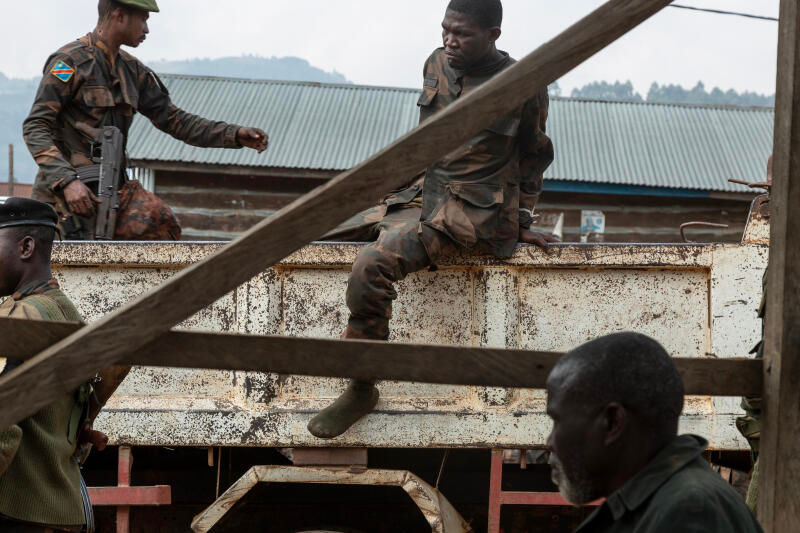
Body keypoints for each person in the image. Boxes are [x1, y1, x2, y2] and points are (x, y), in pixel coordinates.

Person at [308, 0, 555, 439]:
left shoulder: (523, 83)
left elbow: (533, 156)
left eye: (461, 33)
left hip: (467, 213)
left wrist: (521, 222)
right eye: (445, 29)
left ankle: (361, 384)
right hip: (419, 194)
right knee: (304, 234)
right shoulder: (436, 62)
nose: (449, 40)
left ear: (493, 35)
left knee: (371, 263)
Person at [23, 0, 269, 240]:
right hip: (60, 200)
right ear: (119, 15)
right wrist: (67, 181)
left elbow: (176, 120)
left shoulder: (133, 72)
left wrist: (234, 134)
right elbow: (36, 126)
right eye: (143, 19)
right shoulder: (69, 63)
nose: (147, 29)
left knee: (161, 224)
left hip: (109, 196)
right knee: (54, 272)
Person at [545, 332, 763, 533]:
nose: (550, 442)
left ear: (612, 423)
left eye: (557, 421)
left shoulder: (689, 513)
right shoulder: (665, 503)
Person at [0, 198, 107, 532]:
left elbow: (2, 422)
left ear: (26, 247)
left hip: (18, 512)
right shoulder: (65, 313)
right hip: (58, 508)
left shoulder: (21, 318)